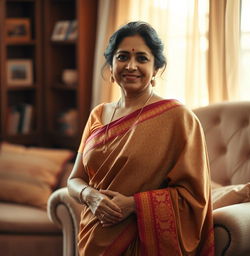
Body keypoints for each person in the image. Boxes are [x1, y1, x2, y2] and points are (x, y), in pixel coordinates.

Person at [68, 21, 214, 256]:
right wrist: (90, 196)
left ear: (156, 68)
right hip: (94, 237)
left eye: (142, 59)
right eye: (122, 57)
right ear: (111, 64)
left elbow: (194, 197)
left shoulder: (178, 118)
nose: (131, 66)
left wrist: (135, 205)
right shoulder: (99, 113)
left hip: (142, 241)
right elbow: (75, 180)